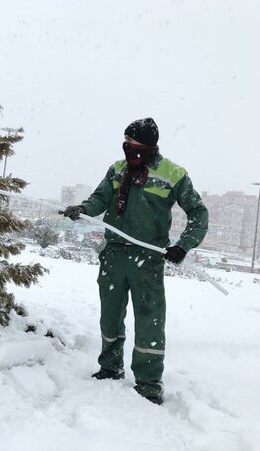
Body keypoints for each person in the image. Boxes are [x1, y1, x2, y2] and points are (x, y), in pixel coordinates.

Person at [62, 117, 208, 405]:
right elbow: (100, 198)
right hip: (114, 254)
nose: (126, 147)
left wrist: (183, 245)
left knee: (149, 322)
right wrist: (83, 209)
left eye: (131, 143)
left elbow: (198, 213)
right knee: (110, 315)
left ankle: (149, 383)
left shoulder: (173, 173)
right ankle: (110, 366)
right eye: (125, 142)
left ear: (146, 145)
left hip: (148, 258)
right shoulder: (117, 169)